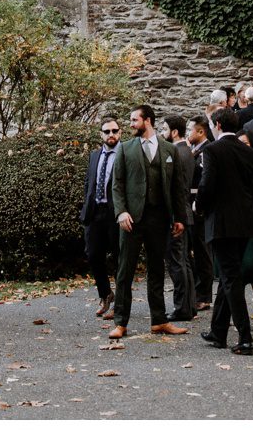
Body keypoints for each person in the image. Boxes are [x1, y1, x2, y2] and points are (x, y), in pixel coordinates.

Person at [108, 104, 187, 341]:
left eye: (134, 120)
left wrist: (180, 218)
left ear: (148, 120)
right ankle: (120, 322)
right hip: (132, 219)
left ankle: (159, 321)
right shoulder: (125, 148)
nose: (131, 124)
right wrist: (121, 212)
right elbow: (117, 183)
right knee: (125, 271)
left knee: (156, 270)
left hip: (160, 218)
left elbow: (177, 188)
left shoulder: (170, 149)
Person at [200, 108, 253, 356]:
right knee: (230, 275)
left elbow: (207, 184)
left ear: (218, 124)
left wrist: (200, 205)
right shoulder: (249, 152)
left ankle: (245, 338)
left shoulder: (212, 150)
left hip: (221, 222)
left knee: (230, 279)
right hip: (244, 222)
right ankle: (218, 331)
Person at [78, 116, 122, 318]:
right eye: (107, 131)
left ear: (120, 132)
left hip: (116, 213)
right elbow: (90, 181)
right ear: (101, 134)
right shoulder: (95, 155)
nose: (111, 135)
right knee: (93, 254)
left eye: (114, 131)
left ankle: (120, 304)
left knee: (119, 257)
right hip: (95, 212)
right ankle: (105, 294)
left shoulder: (125, 153)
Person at [162, 115, 198, 321]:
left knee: (177, 263)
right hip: (185, 213)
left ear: (174, 132)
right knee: (184, 261)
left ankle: (182, 308)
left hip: (177, 215)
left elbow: (175, 189)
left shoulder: (176, 152)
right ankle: (189, 305)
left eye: (165, 128)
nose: (162, 131)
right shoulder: (187, 151)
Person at [186, 116, 215, 311]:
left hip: (200, 205)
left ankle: (204, 294)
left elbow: (205, 179)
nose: (188, 133)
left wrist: (199, 204)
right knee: (195, 248)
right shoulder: (194, 151)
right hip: (192, 203)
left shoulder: (207, 151)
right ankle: (197, 290)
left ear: (201, 132)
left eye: (190, 129)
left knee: (203, 250)